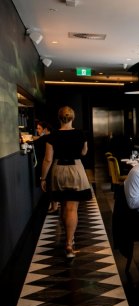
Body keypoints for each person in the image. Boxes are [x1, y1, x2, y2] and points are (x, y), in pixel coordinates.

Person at [40, 106, 92, 259]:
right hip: (75, 169)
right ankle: (69, 243)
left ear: (59, 118)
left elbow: (48, 159)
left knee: (63, 205)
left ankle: (69, 237)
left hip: (58, 169)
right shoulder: (80, 133)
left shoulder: (52, 135)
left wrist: (43, 178)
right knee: (71, 208)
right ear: (72, 118)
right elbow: (83, 152)